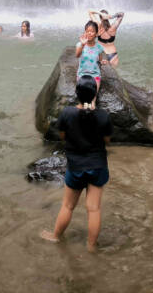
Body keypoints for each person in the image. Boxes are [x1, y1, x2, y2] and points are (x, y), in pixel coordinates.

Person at [41, 76, 113, 251]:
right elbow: (107, 140)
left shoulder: (67, 113)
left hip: (75, 167)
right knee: (94, 209)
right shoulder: (103, 116)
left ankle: (56, 236)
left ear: (77, 94)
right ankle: (91, 246)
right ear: (95, 93)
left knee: (68, 205)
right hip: (97, 166)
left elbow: (63, 136)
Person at [76, 21, 116, 89]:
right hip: (82, 74)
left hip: (95, 75)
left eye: (92, 31)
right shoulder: (79, 44)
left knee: (94, 95)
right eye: (87, 31)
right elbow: (77, 55)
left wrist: (102, 62)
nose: (89, 33)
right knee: (81, 94)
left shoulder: (99, 47)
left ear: (96, 34)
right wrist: (82, 45)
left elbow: (99, 61)